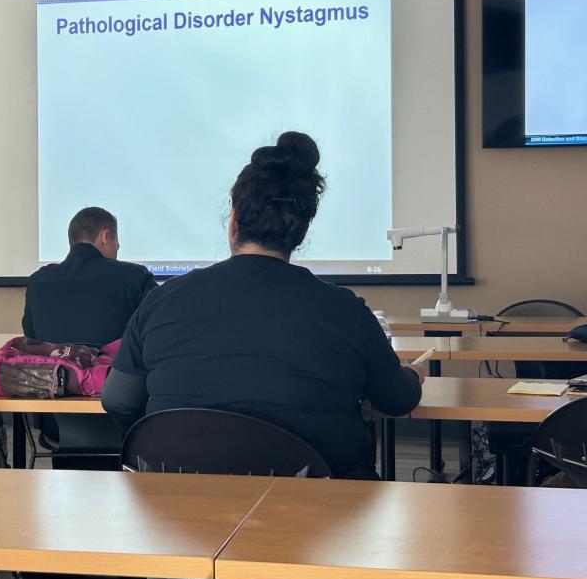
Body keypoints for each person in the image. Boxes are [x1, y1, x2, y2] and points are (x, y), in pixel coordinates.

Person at [102, 132, 424, 480]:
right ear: (299, 231)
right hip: (319, 520)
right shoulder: (345, 310)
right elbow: (396, 400)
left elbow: (118, 400)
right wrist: (414, 376)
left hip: (181, 515)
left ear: (234, 222)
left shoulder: (161, 301)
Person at [23, 206, 157, 470]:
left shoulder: (39, 281)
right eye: (116, 240)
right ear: (105, 236)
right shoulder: (134, 277)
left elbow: (32, 338)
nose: (118, 247)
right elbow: (155, 334)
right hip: (120, 413)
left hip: (56, 418)